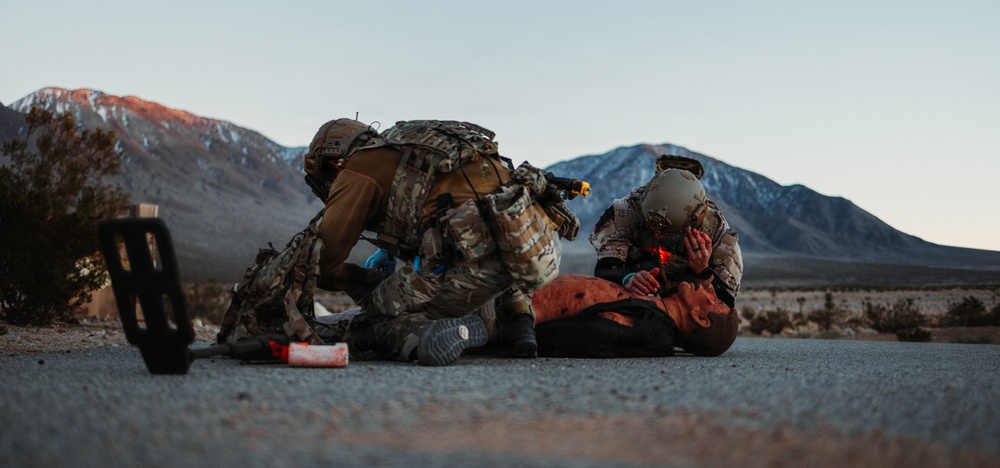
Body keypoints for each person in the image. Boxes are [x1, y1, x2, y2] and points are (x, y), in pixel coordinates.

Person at [306, 119, 573, 366]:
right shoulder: (414, 146)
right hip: (534, 245)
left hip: (475, 261)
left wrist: (365, 282)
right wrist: (386, 251)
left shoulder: (357, 167)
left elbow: (325, 266)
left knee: (374, 320)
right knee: (492, 230)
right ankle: (519, 323)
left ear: (332, 163)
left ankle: (428, 335)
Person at [589, 155, 743, 309]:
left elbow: (725, 307)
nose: (658, 235)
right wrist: (627, 278)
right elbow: (605, 268)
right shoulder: (626, 212)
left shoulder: (718, 236)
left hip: (686, 304)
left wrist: (703, 272)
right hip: (635, 295)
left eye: (666, 232)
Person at [531, 274, 738, 357]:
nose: (710, 290)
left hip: (515, 312)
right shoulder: (654, 311)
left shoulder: (653, 332)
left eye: (716, 301)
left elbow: (592, 334)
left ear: (700, 318)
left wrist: (519, 329)